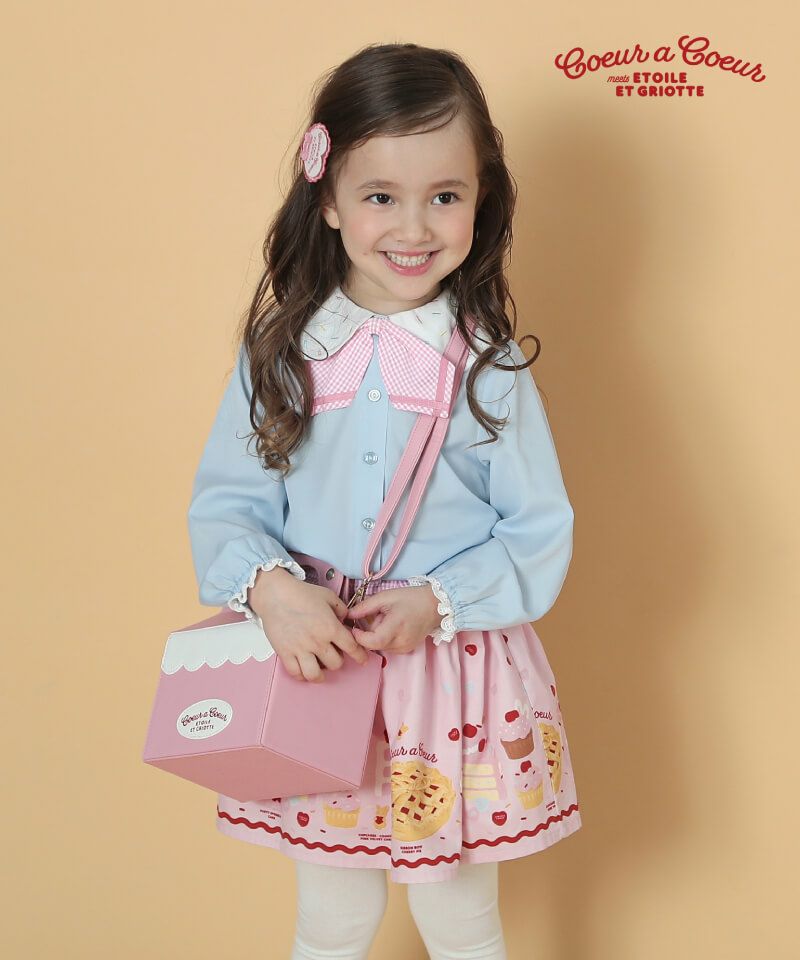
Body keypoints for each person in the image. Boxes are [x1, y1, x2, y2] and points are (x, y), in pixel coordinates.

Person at [187, 41, 582, 960]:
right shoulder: (280, 355)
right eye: (379, 197)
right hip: (320, 665)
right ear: (326, 197)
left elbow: (538, 527)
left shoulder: (490, 367)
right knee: (334, 917)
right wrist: (275, 593)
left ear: (482, 200)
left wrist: (440, 601)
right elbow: (228, 503)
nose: (415, 227)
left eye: (445, 196)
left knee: (460, 917)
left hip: (452, 677)